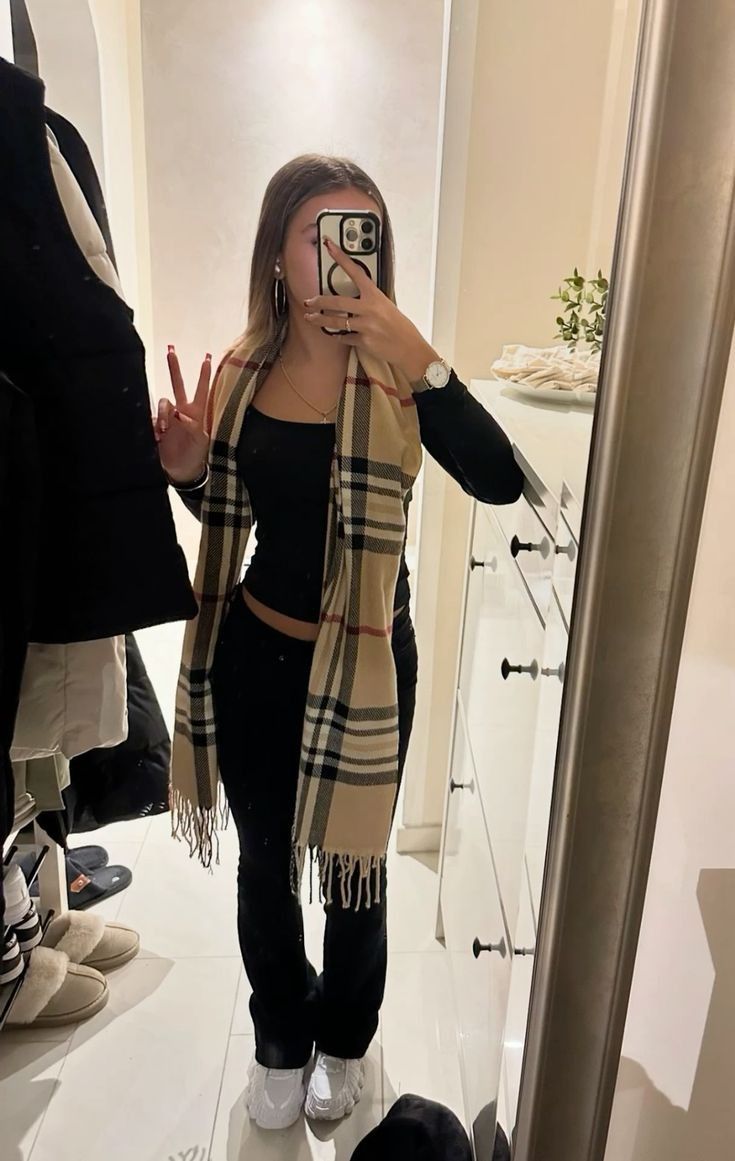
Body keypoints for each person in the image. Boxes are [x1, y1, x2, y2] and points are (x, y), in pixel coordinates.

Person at [154, 155, 523, 1131]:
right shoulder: (242, 374)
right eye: (318, 236)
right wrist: (189, 472)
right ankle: (280, 1034)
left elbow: (497, 480)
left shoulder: (400, 376)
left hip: (367, 666)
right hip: (258, 658)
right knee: (265, 867)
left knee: (357, 872)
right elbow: (227, 516)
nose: (341, 259)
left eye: (362, 237)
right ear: (278, 254)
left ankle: (347, 1039)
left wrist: (423, 356)